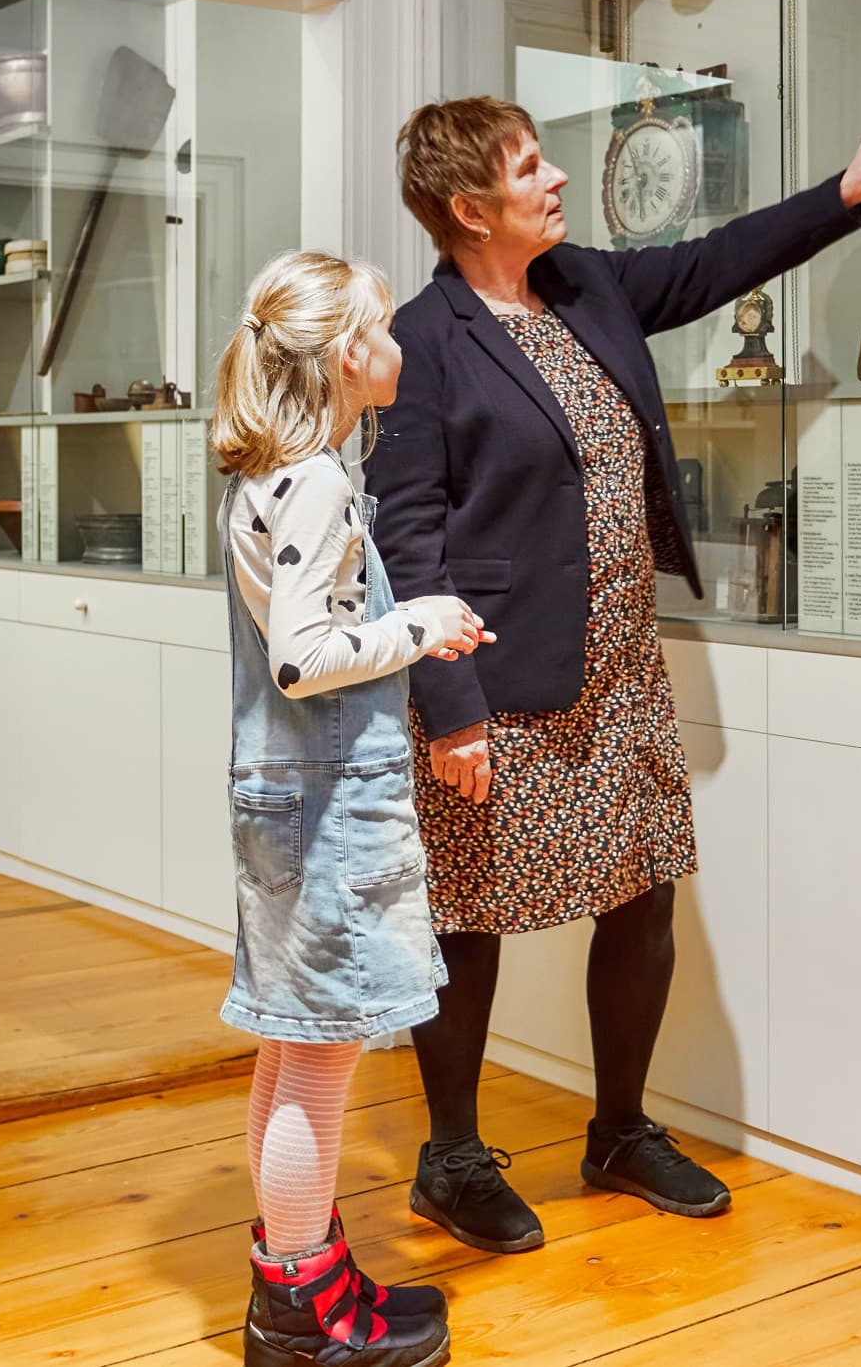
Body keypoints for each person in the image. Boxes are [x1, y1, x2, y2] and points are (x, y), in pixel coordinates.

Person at [367, 95, 861, 1253]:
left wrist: (844, 191)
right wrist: (448, 708)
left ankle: (617, 1132)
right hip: (499, 676)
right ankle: (451, 1159)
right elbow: (407, 541)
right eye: (530, 167)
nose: (556, 178)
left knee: (641, 889)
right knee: (468, 910)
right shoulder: (425, 340)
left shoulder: (582, 285)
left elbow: (711, 263)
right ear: (470, 208)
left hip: (622, 664)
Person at [211, 249, 495, 1367]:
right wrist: (425, 623)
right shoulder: (319, 482)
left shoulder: (279, 473)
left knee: (291, 1047)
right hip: (330, 809)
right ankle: (301, 1315)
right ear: (343, 357)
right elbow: (303, 659)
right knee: (323, 1057)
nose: (397, 345)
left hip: (282, 798)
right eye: (380, 330)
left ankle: (303, 1284)